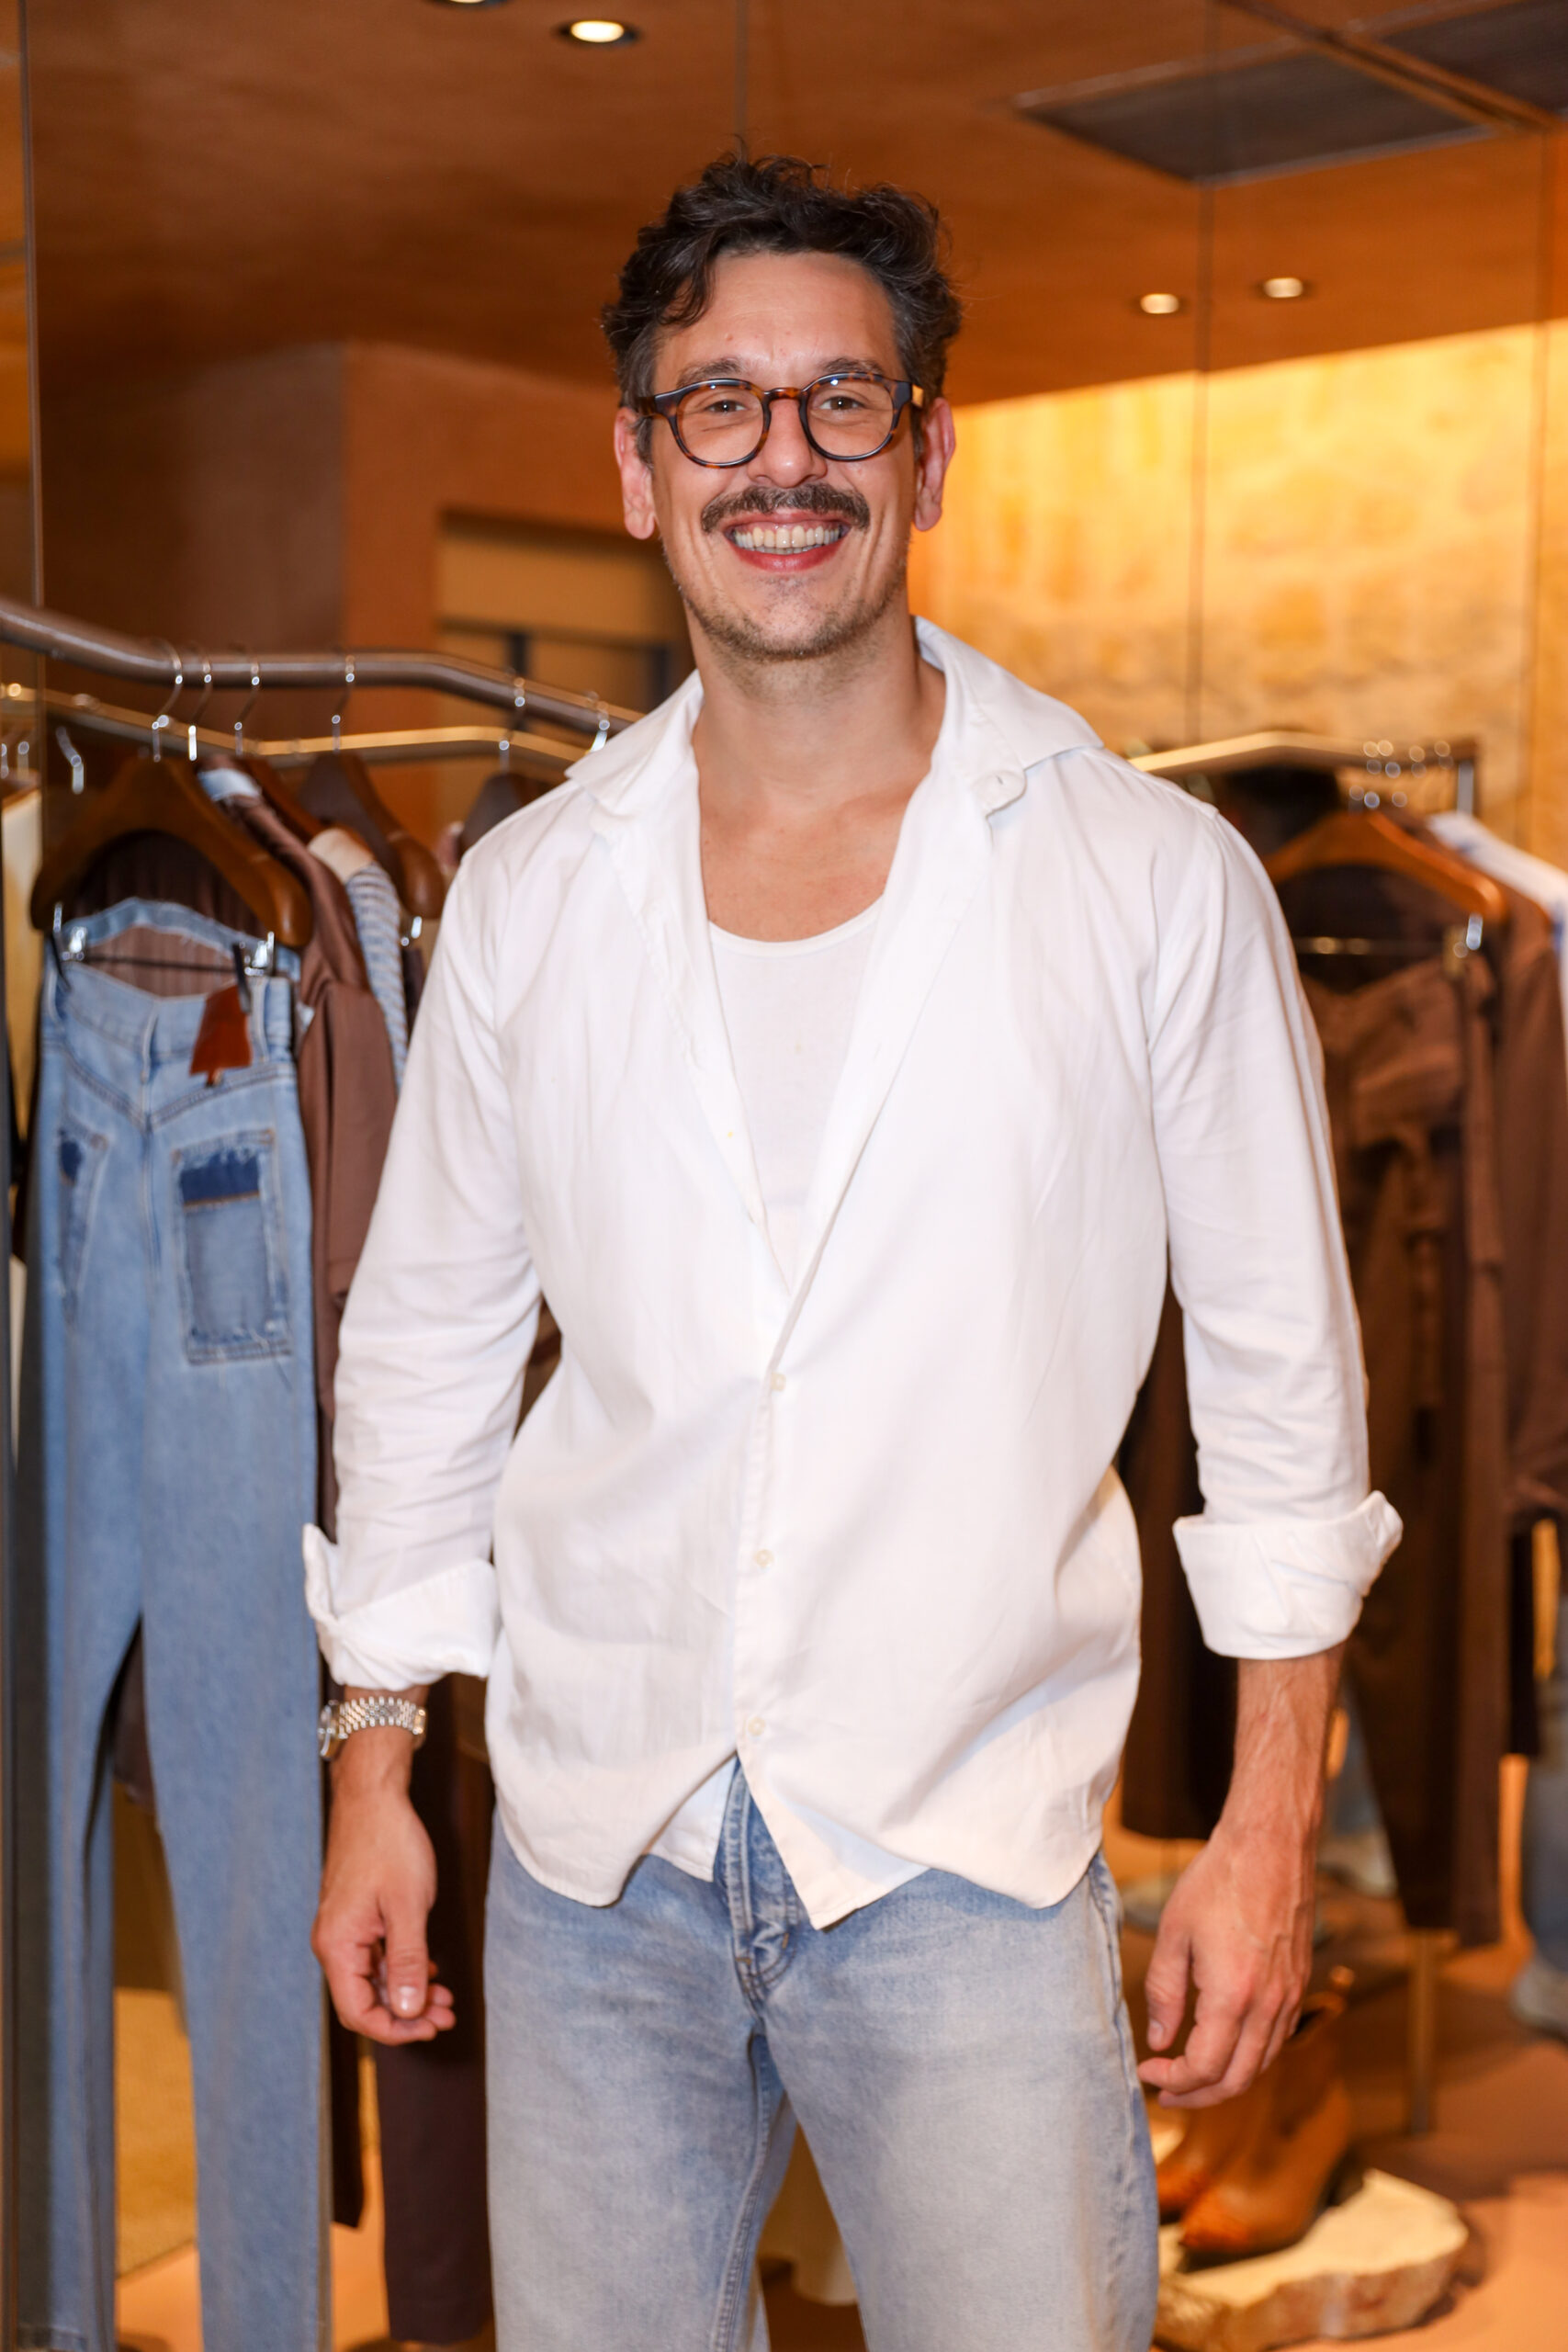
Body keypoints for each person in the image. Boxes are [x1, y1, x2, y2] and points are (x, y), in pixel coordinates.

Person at [307, 153, 1399, 2352]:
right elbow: (425, 1347)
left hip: (963, 1849)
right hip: (591, 1847)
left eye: (840, 399)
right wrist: (375, 1757)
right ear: (638, 466)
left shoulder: (1145, 879)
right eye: (718, 403)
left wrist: (1267, 1821)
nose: (781, 457)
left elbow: (1279, 1382)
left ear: (927, 451)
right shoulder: (532, 895)